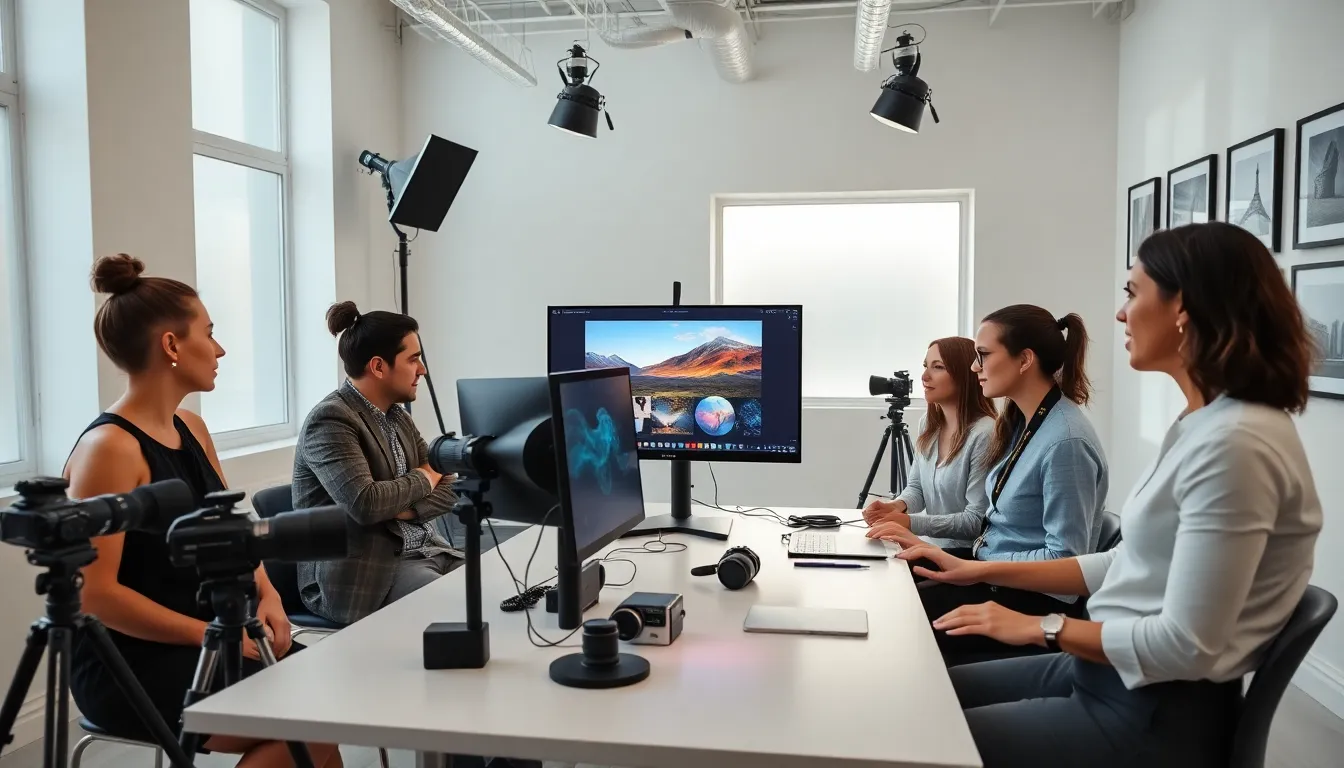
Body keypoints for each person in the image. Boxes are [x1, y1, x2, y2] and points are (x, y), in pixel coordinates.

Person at [898, 222, 1323, 766]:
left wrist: (1042, 625)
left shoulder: (1236, 444)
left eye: (1132, 292)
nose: (1120, 313)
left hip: (1146, 709)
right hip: (1109, 671)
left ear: (1183, 308)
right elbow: (1127, 561)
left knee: (911, 738)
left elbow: (1187, 645)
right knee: (915, 702)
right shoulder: (1206, 424)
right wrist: (977, 572)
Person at [66, 254, 339, 768]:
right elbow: (94, 596)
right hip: (133, 660)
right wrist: (211, 633)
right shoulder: (110, 449)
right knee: (314, 720)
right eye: (209, 333)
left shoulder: (192, 427)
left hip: (215, 632)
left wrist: (268, 592)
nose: (220, 349)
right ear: (171, 344)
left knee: (325, 706)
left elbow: (233, 529)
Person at [869, 305, 1107, 662]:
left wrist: (973, 568)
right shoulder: (1020, 423)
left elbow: (1065, 560)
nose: (974, 366)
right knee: (888, 589)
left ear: (1025, 360)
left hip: (1030, 599)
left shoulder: (1065, 442)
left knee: (897, 622)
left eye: (983, 355)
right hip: (990, 570)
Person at [294, 301, 461, 625]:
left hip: (427, 551)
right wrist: (426, 478)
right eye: (413, 359)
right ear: (379, 367)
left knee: (493, 593)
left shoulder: (397, 416)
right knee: (456, 610)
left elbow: (450, 485)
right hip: (363, 576)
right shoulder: (331, 420)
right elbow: (366, 504)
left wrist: (404, 508)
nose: (422, 370)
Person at [863, 337, 997, 548]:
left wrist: (909, 522)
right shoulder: (928, 424)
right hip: (928, 546)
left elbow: (976, 521)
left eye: (938, 367)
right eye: (925, 366)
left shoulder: (985, 433)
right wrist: (897, 506)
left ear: (964, 375)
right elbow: (917, 488)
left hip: (964, 557)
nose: (925, 376)